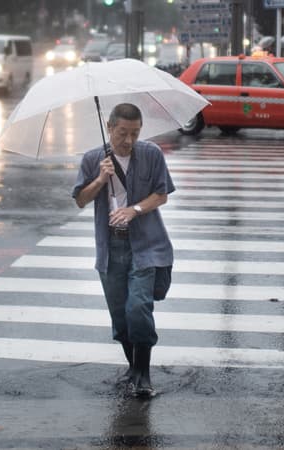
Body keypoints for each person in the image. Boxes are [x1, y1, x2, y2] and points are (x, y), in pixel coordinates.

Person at [72, 103, 175, 398]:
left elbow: (161, 194)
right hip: (111, 248)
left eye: (135, 133)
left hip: (146, 244)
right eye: (122, 133)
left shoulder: (151, 154)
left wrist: (134, 209)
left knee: (138, 307)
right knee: (120, 318)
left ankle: (144, 375)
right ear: (109, 127)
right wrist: (101, 180)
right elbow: (80, 199)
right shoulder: (93, 159)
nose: (128, 141)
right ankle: (133, 369)